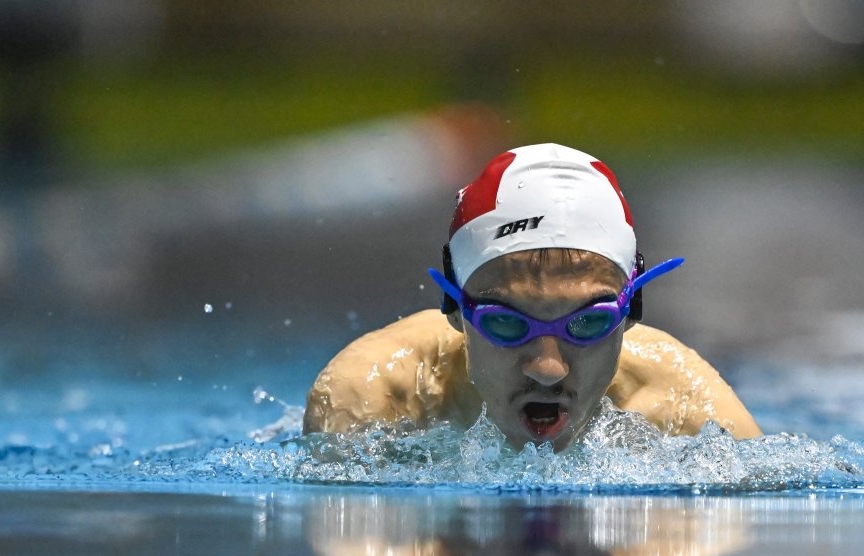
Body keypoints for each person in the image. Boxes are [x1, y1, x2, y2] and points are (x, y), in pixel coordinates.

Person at [303, 143, 760, 451]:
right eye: (506, 322)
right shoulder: (373, 397)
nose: (547, 369)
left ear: (631, 310)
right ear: (455, 309)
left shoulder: (690, 414)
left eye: (588, 322)